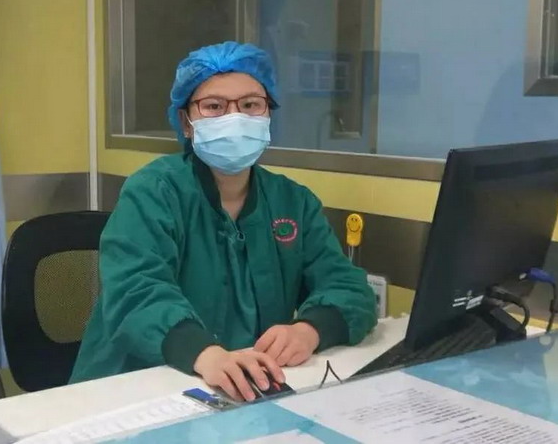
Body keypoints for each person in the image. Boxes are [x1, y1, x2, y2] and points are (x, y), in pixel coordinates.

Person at [71, 41, 377, 401]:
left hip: (248, 387)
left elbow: (348, 286)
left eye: (250, 105)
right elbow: (135, 291)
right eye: (214, 106)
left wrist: (310, 330)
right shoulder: (154, 192)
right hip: (136, 388)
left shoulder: (294, 202)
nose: (235, 118)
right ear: (186, 122)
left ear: (268, 115)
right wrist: (205, 354)